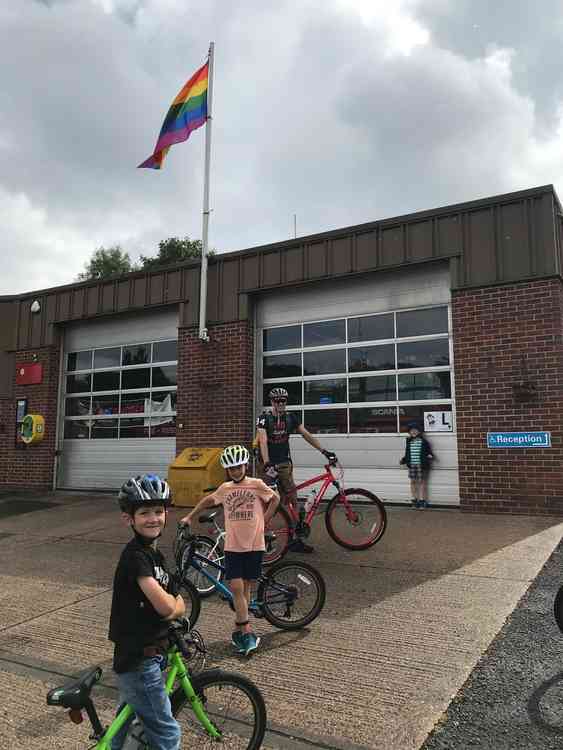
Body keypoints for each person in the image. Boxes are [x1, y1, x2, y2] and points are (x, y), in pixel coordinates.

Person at [108, 474, 185, 750]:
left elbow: (176, 594)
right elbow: (168, 605)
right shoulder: (135, 558)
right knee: (167, 734)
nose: (153, 518)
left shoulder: (154, 555)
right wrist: (174, 607)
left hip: (140, 655)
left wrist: (174, 605)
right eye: (144, 513)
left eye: (158, 511)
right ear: (129, 519)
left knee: (126, 722)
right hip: (140, 660)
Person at [180, 444, 279, 656]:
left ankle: (238, 627)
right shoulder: (225, 488)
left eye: (239, 467)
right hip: (233, 546)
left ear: (245, 465)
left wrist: (264, 520)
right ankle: (246, 630)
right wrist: (189, 516)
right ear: (227, 470)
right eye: (232, 468)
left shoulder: (256, 484)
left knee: (244, 588)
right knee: (235, 587)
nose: (236, 471)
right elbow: (208, 500)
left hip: (254, 544)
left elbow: (275, 499)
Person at [256, 386, 336, 553]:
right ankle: (260, 537)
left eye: (283, 401)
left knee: (292, 499)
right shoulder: (264, 419)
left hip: (285, 464)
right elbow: (262, 441)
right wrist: (267, 462)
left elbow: (306, 434)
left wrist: (324, 451)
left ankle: (294, 539)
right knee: (270, 501)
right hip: (268, 466)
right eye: (277, 401)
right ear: (271, 402)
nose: (280, 404)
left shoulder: (291, 418)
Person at [400, 421, 435, 509]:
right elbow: (407, 453)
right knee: (413, 482)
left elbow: (428, 451)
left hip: (421, 465)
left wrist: (430, 456)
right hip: (412, 465)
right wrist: (404, 460)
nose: (413, 432)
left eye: (415, 430)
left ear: (419, 431)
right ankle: (415, 499)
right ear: (409, 432)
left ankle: (422, 501)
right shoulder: (409, 441)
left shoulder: (424, 441)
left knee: (422, 482)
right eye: (411, 430)